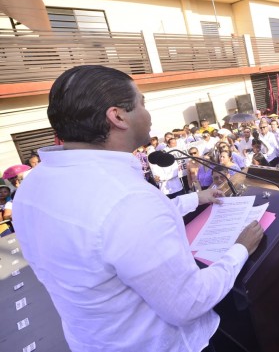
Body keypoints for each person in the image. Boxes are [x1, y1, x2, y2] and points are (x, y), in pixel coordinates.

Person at [12, 65, 264, 352]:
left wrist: (197, 199)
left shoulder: (33, 186)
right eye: (142, 102)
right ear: (117, 116)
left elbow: (116, 228)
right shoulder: (127, 199)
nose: (148, 113)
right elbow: (188, 302)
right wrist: (240, 248)